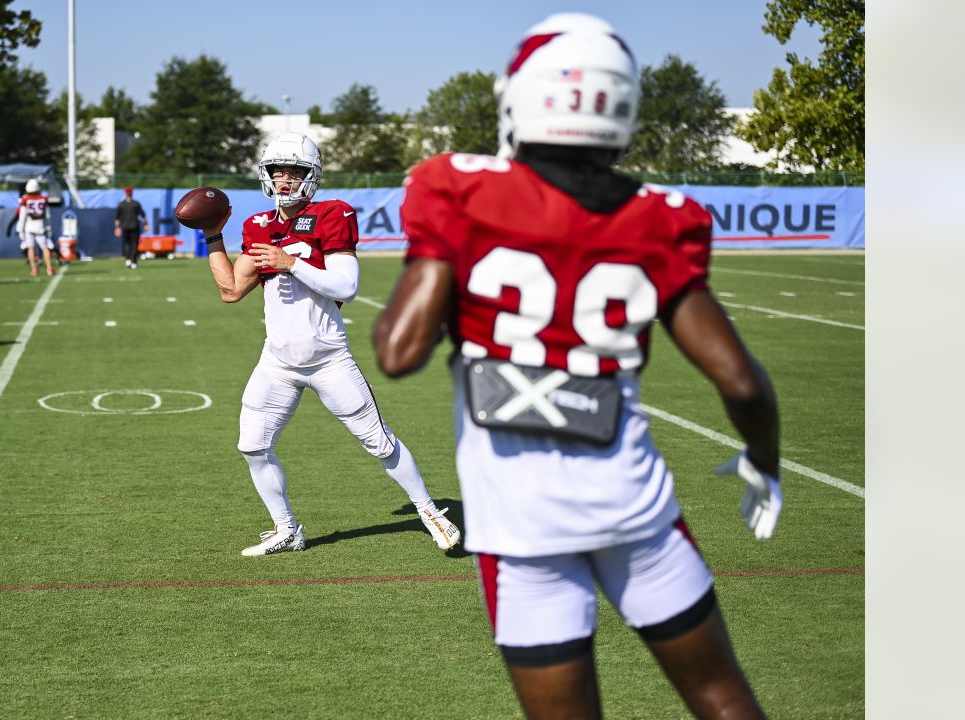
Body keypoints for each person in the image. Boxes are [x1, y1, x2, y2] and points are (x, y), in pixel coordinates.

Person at [373, 14, 781, 720]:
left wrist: (443, 261)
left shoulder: (459, 189)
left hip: (521, 530)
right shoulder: (660, 216)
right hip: (636, 510)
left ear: (520, 97)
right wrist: (763, 461)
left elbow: (397, 352)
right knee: (722, 699)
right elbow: (741, 382)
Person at [199, 131, 461, 557]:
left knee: (378, 441)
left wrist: (291, 262)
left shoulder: (332, 213)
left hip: (327, 359)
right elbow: (230, 290)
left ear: (312, 175)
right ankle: (286, 530)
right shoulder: (258, 225)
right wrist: (213, 236)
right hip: (277, 362)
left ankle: (429, 511)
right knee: (252, 445)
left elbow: (347, 285)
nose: (284, 180)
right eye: (277, 171)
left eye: (294, 171)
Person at [17, 179, 55, 276]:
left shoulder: (25, 199)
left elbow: (23, 216)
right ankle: (49, 268)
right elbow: (48, 216)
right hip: (40, 227)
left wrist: (20, 230)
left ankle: (34, 269)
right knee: (45, 248)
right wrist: (49, 226)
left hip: (29, 228)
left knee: (31, 248)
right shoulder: (44, 198)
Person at [114, 186, 148, 269]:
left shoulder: (136, 204)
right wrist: (117, 227)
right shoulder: (121, 204)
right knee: (127, 244)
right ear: (126, 193)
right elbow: (117, 217)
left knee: (134, 245)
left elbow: (142, 215)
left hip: (134, 227)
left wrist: (146, 224)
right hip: (125, 227)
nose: (128, 194)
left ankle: (134, 261)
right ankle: (128, 259)